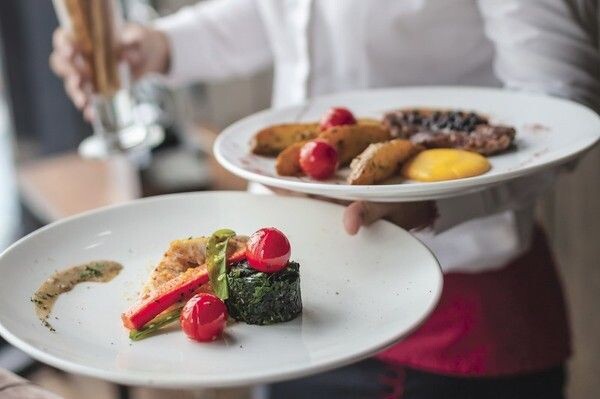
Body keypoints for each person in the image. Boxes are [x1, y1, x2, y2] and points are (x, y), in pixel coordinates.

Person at [50, 1, 600, 398]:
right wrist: (160, 45)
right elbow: (278, 14)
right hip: (292, 303)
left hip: (457, 319)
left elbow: (559, 103)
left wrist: (437, 204)